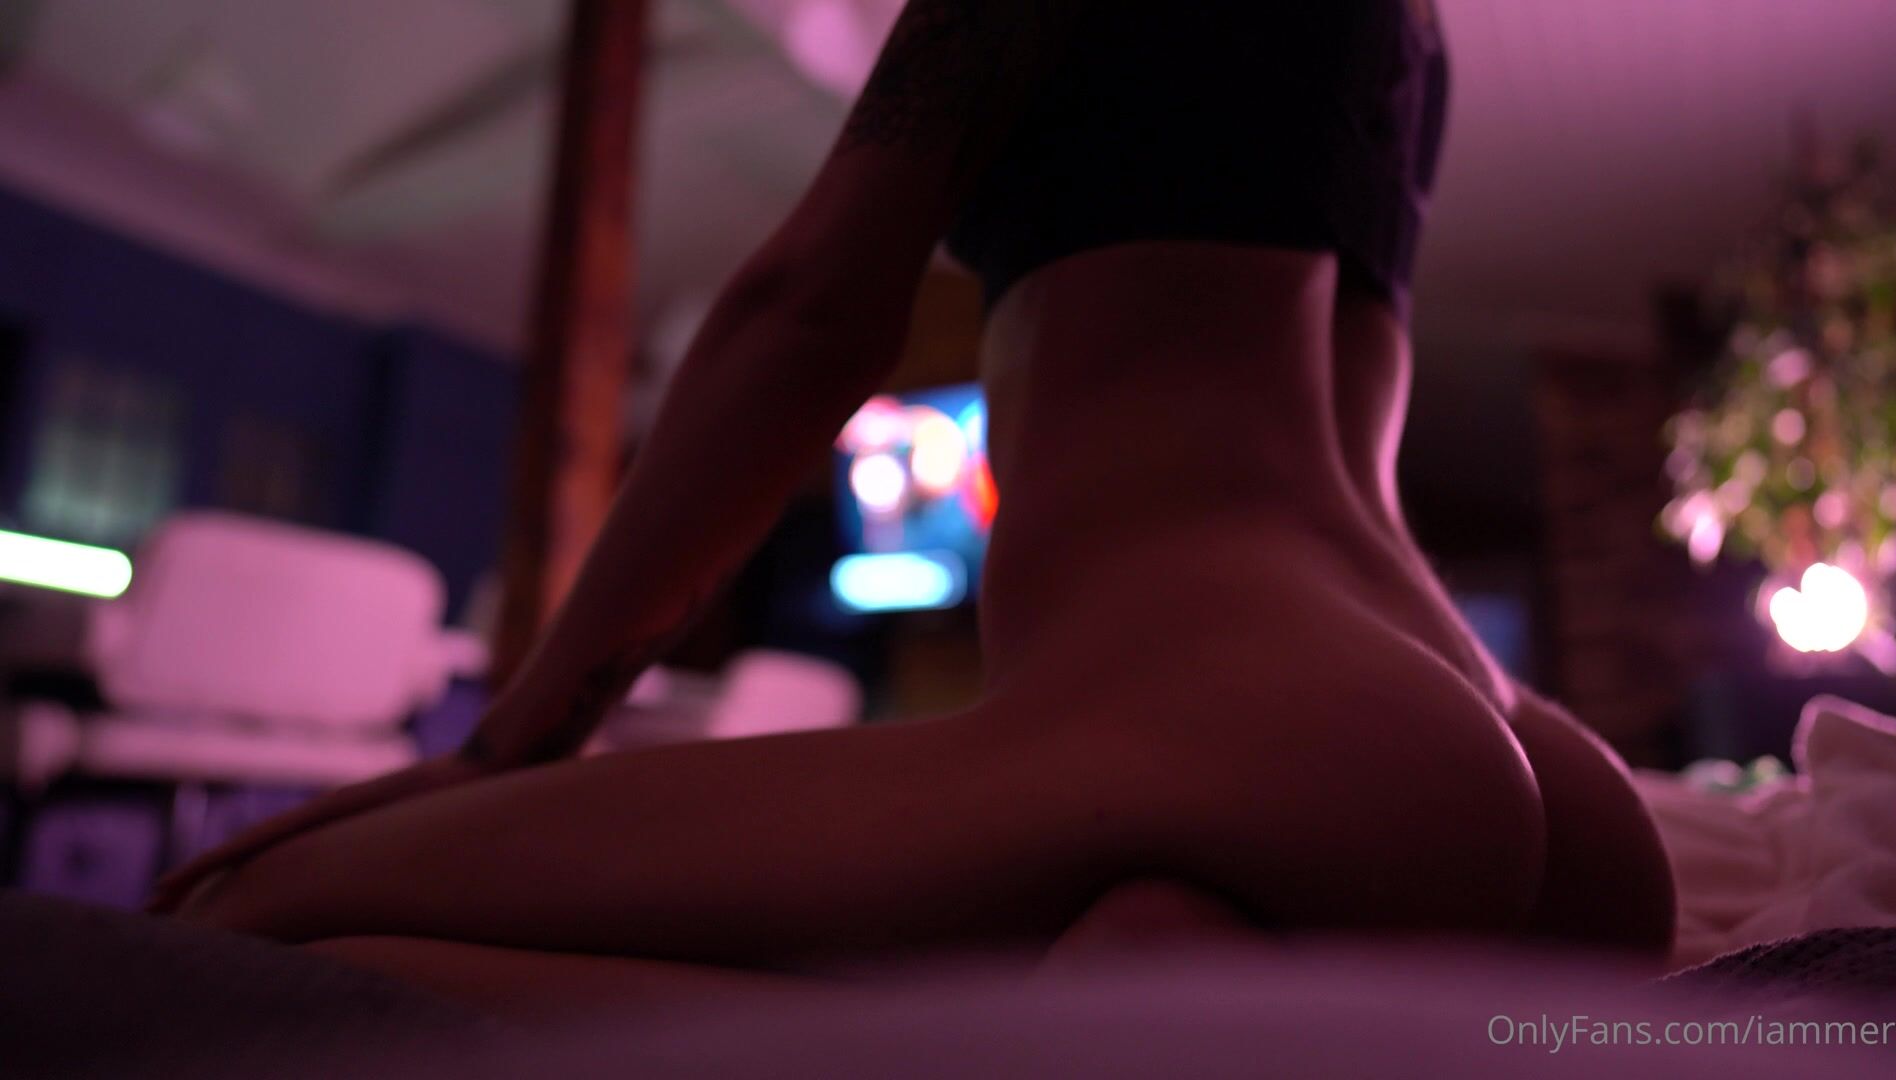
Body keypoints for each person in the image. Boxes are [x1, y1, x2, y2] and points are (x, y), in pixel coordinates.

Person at [150, 0, 1675, 1009]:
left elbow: (807, 312)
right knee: (1143, 958)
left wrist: (508, 745)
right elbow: (1350, 394)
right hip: (1516, 762)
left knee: (259, 900)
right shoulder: (1407, 31)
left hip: (1262, 724)